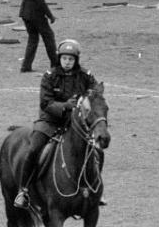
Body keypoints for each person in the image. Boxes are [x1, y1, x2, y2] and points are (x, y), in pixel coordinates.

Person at [13, 39, 98, 209]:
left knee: (96, 151)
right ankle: (23, 190)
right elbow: (45, 103)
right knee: (33, 149)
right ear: (59, 58)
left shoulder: (85, 75)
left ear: (76, 60)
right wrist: (65, 106)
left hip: (75, 124)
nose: (67, 62)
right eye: (64, 58)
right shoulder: (49, 76)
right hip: (49, 121)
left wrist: (85, 98)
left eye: (70, 59)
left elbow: (94, 91)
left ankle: (95, 189)